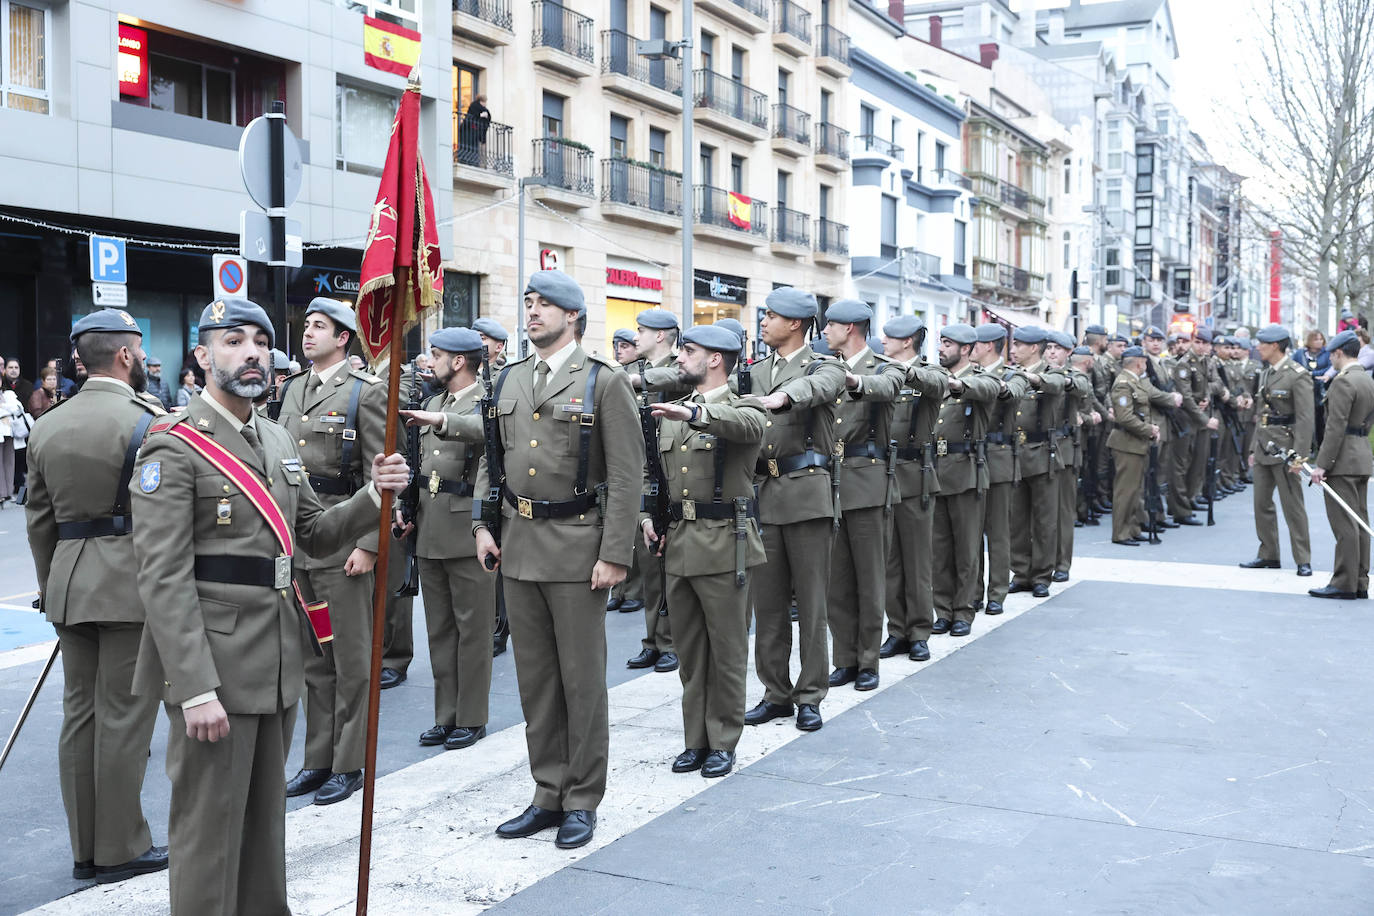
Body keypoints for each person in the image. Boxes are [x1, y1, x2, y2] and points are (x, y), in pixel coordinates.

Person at [129, 297, 407, 915]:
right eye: (232, 341)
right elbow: (163, 578)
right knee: (209, 828)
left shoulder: (276, 433)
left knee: (263, 826)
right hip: (216, 668)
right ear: (202, 357)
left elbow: (311, 534)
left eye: (259, 340)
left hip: (277, 655)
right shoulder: (173, 447)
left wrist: (371, 495)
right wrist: (195, 688)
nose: (252, 351)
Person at [475, 269, 641, 851]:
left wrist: (615, 553)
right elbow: (492, 459)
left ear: (573, 315)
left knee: (581, 681)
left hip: (578, 546)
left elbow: (625, 475)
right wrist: (482, 523)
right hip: (518, 543)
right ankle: (547, 790)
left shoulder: (602, 381)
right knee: (536, 680)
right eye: (528, 302)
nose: (533, 312)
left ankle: (582, 798)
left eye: (545, 304)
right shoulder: (510, 379)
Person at [24, 309, 168, 885]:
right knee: (125, 719)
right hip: (130, 585)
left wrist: (51, 585)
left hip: (68, 583)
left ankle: (85, 848)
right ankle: (119, 847)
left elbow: (40, 523)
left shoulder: (48, 424)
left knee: (79, 717)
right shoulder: (149, 421)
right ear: (127, 355)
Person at [273, 298, 388, 805]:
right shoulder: (294, 389)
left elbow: (380, 476)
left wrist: (368, 545)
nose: (308, 333)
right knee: (316, 661)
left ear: (343, 337)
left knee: (351, 658)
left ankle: (349, 762)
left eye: (320, 327)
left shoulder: (365, 392)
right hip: (301, 546)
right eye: (307, 326)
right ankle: (317, 759)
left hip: (344, 541)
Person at [642, 324, 766, 778]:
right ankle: (695, 739)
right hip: (679, 542)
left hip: (724, 542)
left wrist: (693, 415)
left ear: (715, 359)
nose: (679, 358)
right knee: (691, 654)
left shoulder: (742, 405)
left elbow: (745, 426)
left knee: (727, 651)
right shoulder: (673, 411)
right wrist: (644, 517)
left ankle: (723, 739)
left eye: (688, 351)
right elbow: (650, 472)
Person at [743, 288, 846, 733]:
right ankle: (776, 693)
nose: (763, 322)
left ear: (797, 324)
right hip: (764, 496)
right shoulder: (755, 371)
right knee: (767, 607)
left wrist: (782, 398)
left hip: (806, 496)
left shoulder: (825, 365)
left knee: (811, 603)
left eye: (772, 316)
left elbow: (816, 387)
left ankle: (810, 695)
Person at [395, 328, 495, 749]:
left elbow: (484, 432)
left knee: (472, 630)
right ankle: (445, 714)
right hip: (431, 526)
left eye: (435, 355)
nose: (427, 361)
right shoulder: (433, 402)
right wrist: (405, 504)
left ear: (458, 361)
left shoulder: (488, 402)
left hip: (467, 529)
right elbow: (419, 463)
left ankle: (471, 717)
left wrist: (441, 421)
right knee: (440, 629)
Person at [821, 299, 905, 690]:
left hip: (868, 483)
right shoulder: (824, 367)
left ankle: (868, 660)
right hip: (829, 484)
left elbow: (888, 387)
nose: (823, 331)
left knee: (870, 577)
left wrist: (854, 381)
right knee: (837, 579)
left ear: (851, 328)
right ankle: (845, 658)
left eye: (830, 325)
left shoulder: (882, 368)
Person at [880, 316, 948, 661]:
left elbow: (939, 385)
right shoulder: (881, 371)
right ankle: (897, 629)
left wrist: (902, 371)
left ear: (907, 342)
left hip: (915, 474)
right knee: (892, 561)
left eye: (890, 338)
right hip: (886, 474)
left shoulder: (928, 372)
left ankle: (919, 630)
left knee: (918, 560)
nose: (884, 342)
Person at [929, 325, 1001, 636]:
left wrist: (957, 385)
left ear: (967, 350)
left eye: (948, 344)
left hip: (967, 472)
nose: (941, 349)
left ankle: (964, 610)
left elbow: (986, 389)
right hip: (935, 471)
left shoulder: (982, 378)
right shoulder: (935, 377)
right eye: (941, 342)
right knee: (939, 548)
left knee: (967, 548)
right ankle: (943, 610)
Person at [627, 307, 685, 673]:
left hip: (672, 470)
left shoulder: (682, 367)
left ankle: (672, 641)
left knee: (672, 567)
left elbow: (676, 378)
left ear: (661, 335)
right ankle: (653, 638)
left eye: (642, 331)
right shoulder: (639, 372)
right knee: (650, 565)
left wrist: (634, 380)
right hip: (644, 469)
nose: (636, 337)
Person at [1240, 324, 1313, 576]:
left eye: (1261, 344)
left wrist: (1299, 456)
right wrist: (1252, 448)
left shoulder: (1297, 374)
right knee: (1262, 504)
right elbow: (1261, 414)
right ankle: (1268, 554)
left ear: (1274, 346)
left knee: (1293, 506)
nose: (1257, 347)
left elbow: (1305, 419)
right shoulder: (1266, 373)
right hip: (1263, 447)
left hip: (1286, 449)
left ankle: (1303, 559)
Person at [1306, 329, 1374, 599]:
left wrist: (1322, 464)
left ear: (1337, 353)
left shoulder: (1343, 382)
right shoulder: (1367, 380)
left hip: (1342, 459)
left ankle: (1344, 582)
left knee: (1345, 522)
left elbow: (1334, 427)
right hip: (1360, 455)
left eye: (1331, 355)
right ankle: (1359, 581)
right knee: (1360, 520)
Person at [974, 323, 1031, 616]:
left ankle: (996, 592)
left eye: (976, 343)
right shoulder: (967, 374)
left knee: (997, 532)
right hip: (971, 459)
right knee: (971, 533)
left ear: (987, 346)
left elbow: (1012, 392)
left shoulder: (1011, 375)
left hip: (998, 459)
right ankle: (973, 592)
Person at [1007, 326, 1069, 598]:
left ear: (1034, 348)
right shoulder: (1009, 372)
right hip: (1014, 454)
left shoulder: (1052, 371)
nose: (1013, 349)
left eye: (1018, 345)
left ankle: (1042, 574)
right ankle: (1021, 572)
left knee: (1044, 519)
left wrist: (1031, 378)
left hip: (1042, 451)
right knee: (1016, 519)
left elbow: (1056, 384)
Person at [607, 328, 646, 616]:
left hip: (640, 455)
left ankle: (633, 590)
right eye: (616, 345)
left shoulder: (643, 373)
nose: (619, 350)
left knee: (634, 531)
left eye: (625, 346)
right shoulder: (614, 373)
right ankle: (620, 590)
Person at [1106, 346, 1159, 545]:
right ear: (1139, 363)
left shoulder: (1134, 381)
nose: (1145, 365)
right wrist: (1149, 430)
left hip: (1136, 443)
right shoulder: (1123, 383)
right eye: (1144, 362)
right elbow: (1124, 417)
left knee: (1136, 490)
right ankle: (1120, 533)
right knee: (1125, 490)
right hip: (1126, 443)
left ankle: (1133, 528)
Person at [458, 94, 492, 165]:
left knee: (474, 147)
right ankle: (465, 160)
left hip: (476, 132)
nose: (485, 104)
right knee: (468, 146)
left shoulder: (485, 110)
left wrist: (486, 116)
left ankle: (473, 161)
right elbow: (471, 116)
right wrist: (480, 115)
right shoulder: (474, 106)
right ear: (480, 101)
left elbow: (487, 119)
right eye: (484, 102)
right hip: (469, 131)